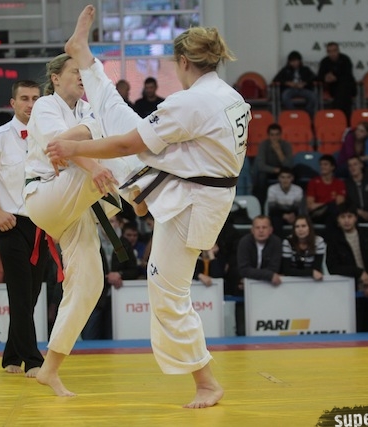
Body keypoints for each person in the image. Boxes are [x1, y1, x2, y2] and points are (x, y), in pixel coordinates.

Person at [45, 5, 246, 407]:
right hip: (190, 183)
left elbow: (125, 145)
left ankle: (207, 383)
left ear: (183, 62)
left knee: (167, 291)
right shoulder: (229, 95)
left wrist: (74, 148)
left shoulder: (192, 103)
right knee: (118, 115)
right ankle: (83, 56)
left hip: (192, 200)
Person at [19, 50, 141, 398]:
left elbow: (67, 146)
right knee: (109, 133)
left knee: (90, 284)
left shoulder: (86, 109)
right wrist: (91, 159)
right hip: (45, 195)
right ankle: (144, 193)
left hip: (76, 206)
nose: (81, 77)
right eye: (75, 71)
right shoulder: (45, 106)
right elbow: (60, 149)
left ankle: (50, 368)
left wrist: (79, 143)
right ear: (56, 78)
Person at [0, 79, 50, 377]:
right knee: (20, 293)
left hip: (42, 223)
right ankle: (34, 360)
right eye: (25, 98)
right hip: (10, 223)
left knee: (32, 293)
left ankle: (11, 355)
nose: (31, 104)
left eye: (36, 98)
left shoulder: (49, 138)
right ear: (13, 103)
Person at [326, 203, 368, 332]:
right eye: (343, 217)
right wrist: (359, 272)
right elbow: (333, 267)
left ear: (355, 218)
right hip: (349, 293)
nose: (346, 220)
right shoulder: (334, 240)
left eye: (350, 216)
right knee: (356, 329)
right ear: (338, 220)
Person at [253, 123, 294, 205]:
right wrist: (274, 170)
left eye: (277, 135)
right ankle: (261, 204)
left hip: (283, 170)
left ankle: (291, 201)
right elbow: (261, 166)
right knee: (261, 176)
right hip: (268, 171)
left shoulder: (286, 145)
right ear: (268, 135)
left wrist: (279, 151)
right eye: (272, 135)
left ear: (280, 135)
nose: (274, 137)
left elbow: (289, 165)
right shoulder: (263, 145)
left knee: (293, 174)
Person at [317, 42, 357, 120]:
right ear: (327, 52)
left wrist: (336, 78)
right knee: (343, 95)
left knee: (344, 88)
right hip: (333, 88)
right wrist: (326, 78)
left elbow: (348, 75)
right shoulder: (325, 61)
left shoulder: (345, 59)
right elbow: (319, 76)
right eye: (330, 51)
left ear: (338, 50)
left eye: (334, 50)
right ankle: (345, 119)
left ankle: (337, 116)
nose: (333, 53)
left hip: (348, 87)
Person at [273, 50, 317, 118]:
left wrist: (304, 83)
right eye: (292, 61)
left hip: (303, 89)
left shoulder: (305, 69)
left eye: (296, 61)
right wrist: (288, 83)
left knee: (313, 96)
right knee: (285, 96)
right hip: (290, 89)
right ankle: (294, 113)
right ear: (289, 62)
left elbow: (314, 78)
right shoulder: (285, 70)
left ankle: (307, 114)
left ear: (300, 61)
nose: (294, 63)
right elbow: (276, 79)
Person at [306, 154, 345, 228]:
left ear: (332, 167)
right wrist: (328, 205)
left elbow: (340, 203)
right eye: (321, 164)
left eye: (325, 164)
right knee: (332, 208)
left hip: (333, 214)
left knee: (332, 213)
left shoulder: (339, 183)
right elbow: (310, 206)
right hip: (317, 214)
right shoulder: (313, 182)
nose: (322, 167)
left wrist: (322, 205)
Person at [281, 215, 326, 280]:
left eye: (303, 226)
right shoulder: (288, 242)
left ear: (309, 228)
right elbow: (287, 271)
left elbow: (317, 269)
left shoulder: (318, 241)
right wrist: (311, 272)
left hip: (312, 280)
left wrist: (312, 272)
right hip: (292, 279)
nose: (300, 229)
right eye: (297, 226)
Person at [266, 167, 304, 238]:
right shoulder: (272, 189)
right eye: (282, 177)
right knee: (275, 218)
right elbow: (272, 207)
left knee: (300, 218)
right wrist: (284, 215)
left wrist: (289, 215)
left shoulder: (298, 189)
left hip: (293, 214)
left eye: (288, 177)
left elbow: (296, 207)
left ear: (292, 178)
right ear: (278, 178)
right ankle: (278, 242)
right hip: (277, 215)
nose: (285, 180)